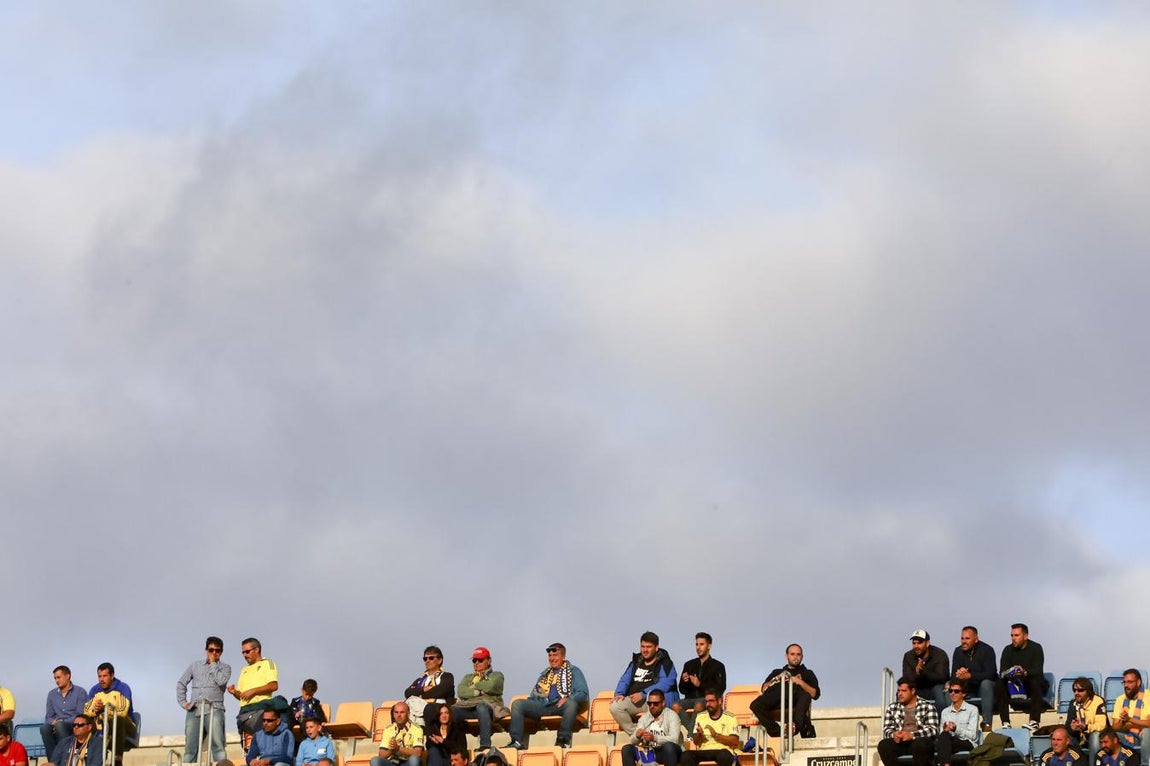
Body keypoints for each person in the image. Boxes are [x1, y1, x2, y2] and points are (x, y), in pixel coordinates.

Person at [507, 642, 590, 750]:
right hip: (543, 706)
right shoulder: (544, 675)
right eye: (550, 656)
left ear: (563, 656)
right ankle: (516, 741)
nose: (552, 658)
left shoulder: (574, 671)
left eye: (555, 655)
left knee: (571, 704)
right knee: (518, 704)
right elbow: (534, 695)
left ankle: (562, 740)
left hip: (561, 706)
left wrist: (568, 698)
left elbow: (583, 693)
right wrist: (531, 703)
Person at [611, 632, 680, 736]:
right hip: (636, 700)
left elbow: (666, 683)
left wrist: (644, 694)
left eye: (649, 647)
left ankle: (657, 735)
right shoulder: (636, 662)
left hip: (657, 701)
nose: (645, 650)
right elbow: (624, 680)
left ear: (656, 648)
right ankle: (638, 734)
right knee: (615, 706)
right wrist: (619, 693)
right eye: (643, 646)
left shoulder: (665, 663)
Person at [177, 636, 232, 764]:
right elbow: (181, 683)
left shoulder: (225, 668)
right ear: (206, 650)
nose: (214, 653)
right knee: (190, 747)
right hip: (194, 710)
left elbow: (221, 681)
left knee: (218, 745)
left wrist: (213, 664)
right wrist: (183, 702)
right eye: (211, 650)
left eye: (217, 651)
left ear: (221, 652)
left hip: (215, 709)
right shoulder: (195, 665)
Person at [749, 643, 821, 738]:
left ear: (802, 657)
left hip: (797, 701)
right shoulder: (777, 672)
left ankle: (794, 726)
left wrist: (799, 682)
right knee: (755, 705)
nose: (795, 657)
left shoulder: (808, 673)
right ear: (786, 656)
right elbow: (764, 688)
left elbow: (815, 694)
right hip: (778, 698)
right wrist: (777, 678)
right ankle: (778, 733)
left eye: (798, 654)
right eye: (792, 654)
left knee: (805, 696)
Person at [451, 646, 508, 752]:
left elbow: (491, 686)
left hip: (489, 708)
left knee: (482, 708)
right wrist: (479, 691)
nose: (476, 663)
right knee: (452, 710)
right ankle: (457, 748)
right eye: (474, 660)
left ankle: (485, 744)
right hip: (470, 707)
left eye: (480, 660)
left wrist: (473, 687)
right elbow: (461, 691)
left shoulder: (497, 675)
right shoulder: (468, 677)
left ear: (489, 661)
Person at [995, 623, 1046, 732]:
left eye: (1016, 635)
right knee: (999, 683)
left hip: (1030, 683)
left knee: (1036, 681)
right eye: (1012, 635)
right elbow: (1002, 672)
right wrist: (1011, 672)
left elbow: (1038, 670)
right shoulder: (1007, 650)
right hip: (1013, 683)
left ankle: (1034, 721)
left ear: (1025, 636)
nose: (1013, 638)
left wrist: (1024, 672)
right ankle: (1005, 722)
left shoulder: (1036, 648)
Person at [877, 677, 939, 766]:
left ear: (913, 691)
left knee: (922, 744)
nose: (900, 694)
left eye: (903, 691)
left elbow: (933, 730)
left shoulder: (927, 706)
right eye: (898, 691)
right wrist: (894, 735)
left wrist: (912, 735)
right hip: (900, 743)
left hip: (918, 741)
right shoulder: (892, 707)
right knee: (884, 745)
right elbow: (887, 729)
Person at [228, 638, 282, 735]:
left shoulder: (267, 663)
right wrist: (234, 692)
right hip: (245, 711)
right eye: (243, 653)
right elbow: (242, 696)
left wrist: (253, 691)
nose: (245, 655)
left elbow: (273, 685)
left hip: (262, 709)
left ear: (257, 650)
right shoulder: (244, 669)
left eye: (247, 651)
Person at [84, 663, 136, 759]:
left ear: (112, 676)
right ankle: (86, 757)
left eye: (105, 676)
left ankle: (117, 759)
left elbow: (123, 712)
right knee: (82, 723)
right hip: (103, 726)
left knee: (118, 720)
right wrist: (95, 710)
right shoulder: (95, 689)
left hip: (125, 725)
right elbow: (86, 710)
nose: (101, 679)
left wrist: (104, 709)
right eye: (99, 676)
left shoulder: (123, 687)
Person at [677, 633, 727, 731]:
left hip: (706, 699)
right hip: (689, 699)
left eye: (701, 644)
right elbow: (682, 690)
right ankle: (692, 732)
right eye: (697, 644)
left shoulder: (718, 666)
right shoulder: (689, 664)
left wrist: (700, 684)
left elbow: (720, 688)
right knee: (674, 706)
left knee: (699, 705)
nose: (698, 647)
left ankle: (691, 734)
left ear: (709, 646)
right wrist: (684, 681)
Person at [951, 626, 997, 731]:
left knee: (986, 683)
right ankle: (952, 723)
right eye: (962, 638)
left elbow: (991, 674)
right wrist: (960, 675)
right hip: (967, 689)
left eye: (967, 638)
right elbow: (953, 675)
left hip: (984, 689)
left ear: (976, 639)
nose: (964, 641)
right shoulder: (958, 652)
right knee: (950, 686)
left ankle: (987, 723)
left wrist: (970, 675)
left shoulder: (987, 650)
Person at [621, 689, 682, 766]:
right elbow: (632, 741)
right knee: (627, 749)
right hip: (651, 752)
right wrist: (637, 735)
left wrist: (654, 738)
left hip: (670, 752)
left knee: (668, 746)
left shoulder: (672, 716)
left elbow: (674, 739)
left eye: (655, 704)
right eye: (649, 703)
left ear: (663, 703)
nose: (652, 706)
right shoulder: (644, 718)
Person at [680, 690, 740, 766]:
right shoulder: (700, 717)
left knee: (724, 755)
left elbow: (735, 741)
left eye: (711, 701)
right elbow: (696, 742)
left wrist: (716, 735)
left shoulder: (730, 717)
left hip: (722, 751)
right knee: (686, 756)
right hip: (704, 751)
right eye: (706, 701)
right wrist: (699, 735)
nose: (708, 704)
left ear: (719, 701)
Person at [402, 646, 455, 729]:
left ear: (440, 660)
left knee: (428, 708)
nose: (427, 661)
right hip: (420, 707)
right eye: (425, 659)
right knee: (398, 708)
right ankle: (397, 736)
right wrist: (423, 689)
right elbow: (407, 692)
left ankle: (429, 736)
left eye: (431, 658)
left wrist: (419, 694)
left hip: (439, 706)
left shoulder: (446, 676)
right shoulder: (421, 679)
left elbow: (441, 691)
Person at [43, 666, 90, 758]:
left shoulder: (80, 692)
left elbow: (80, 715)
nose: (56, 680)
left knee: (60, 726)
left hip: (74, 725)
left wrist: (62, 722)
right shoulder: (51, 694)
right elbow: (48, 717)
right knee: (44, 728)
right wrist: (54, 722)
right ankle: (53, 760)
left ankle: (66, 758)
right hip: (56, 726)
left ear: (67, 676)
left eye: (59, 677)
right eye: (55, 678)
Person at [902, 630, 949, 716]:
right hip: (918, 687)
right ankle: (905, 725)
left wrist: (924, 672)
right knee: (902, 692)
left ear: (927, 643)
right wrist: (917, 673)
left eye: (919, 643)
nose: (916, 646)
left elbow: (942, 677)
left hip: (935, 686)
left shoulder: (940, 654)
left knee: (940, 696)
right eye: (914, 643)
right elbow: (907, 678)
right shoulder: (908, 656)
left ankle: (941, 725)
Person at [936, 680, 980, 766]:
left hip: (967, 743)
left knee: (943, 743)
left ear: (963, 694)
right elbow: (942, 735)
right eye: (950, 691)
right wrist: (946, 730)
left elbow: (973, 736)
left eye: (956, 691)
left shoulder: (973, 709)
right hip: (950, 742)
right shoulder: (945, 712)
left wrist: (956, 729)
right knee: (943, 737)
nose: (952, 693)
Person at [1067, 677, 1109, 762]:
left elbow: (1101, 726)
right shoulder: (1073, 703)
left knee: (1095, 736)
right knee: (1064, 737)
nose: (1076, 693)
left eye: (1080, 690)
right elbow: (1067, 725)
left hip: (1098, 737)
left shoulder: (1098, 701)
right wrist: (1072, 728)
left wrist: (1085, 727)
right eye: (1074, 690)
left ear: (1088, 691)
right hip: (1080, 738)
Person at [370, 701, 424, 766]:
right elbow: (381, 754)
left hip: (408, 762)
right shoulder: (388, 729)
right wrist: (390, 751)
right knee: (375, 760)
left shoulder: (417, 729)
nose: (399, 715)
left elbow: (418, 753)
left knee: (414, 759)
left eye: (402, 712)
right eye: (396, 712)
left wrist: (398, 748)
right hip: (393, 762)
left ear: (408, 714)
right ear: (393, 714)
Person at [1112, 669, 1150, 751]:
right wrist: (1123, 722)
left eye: (1130, 682)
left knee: (1147, 732)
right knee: (1108, 736)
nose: (1126, 685)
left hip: (1144, 736)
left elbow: (1149, 724)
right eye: (1124, 682)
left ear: (1138, 682)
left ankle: (1145, 763)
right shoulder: (1120, 699)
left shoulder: (1148, 697)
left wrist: (1129, 720)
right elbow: (1115, 726)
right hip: (1126, 736)